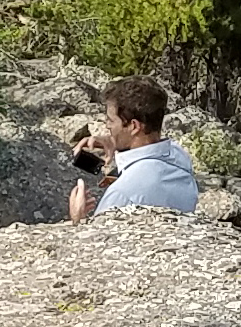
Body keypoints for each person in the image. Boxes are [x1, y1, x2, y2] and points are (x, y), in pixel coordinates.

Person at [65, 75, 201, 220]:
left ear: (134, 126)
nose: (107, 126)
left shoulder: (122, 194)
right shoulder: (179, 156)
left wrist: (77, 219)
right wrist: (115, 142)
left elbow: (94, 240)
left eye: (111, 120)